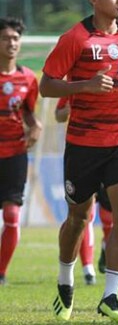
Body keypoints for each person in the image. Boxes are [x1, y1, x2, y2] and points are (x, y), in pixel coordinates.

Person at [41, 0, 118, 323]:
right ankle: (65, 279)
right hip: (84, 143)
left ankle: (111, 296)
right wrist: (83, 87)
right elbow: (47, 85)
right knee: (78, 217)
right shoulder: (75, 39)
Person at [55, 98, 117, 286]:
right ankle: (87, 268)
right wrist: (66, 111)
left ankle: (107, 249)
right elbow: (59, 114)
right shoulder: (76, 81)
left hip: (112, 151)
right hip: (84, 153)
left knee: (109, 217)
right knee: (84, 215)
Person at [0, 17, 41, 286]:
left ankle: (1, 273)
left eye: (15, 38)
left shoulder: (27, 78)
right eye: (6, 38)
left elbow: (29, 114)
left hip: (15, 154)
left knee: (13, 216)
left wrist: (35, 127)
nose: (12, 43)